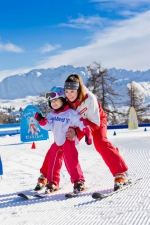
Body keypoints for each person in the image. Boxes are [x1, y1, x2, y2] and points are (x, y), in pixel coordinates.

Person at [35, 74, 129, 191]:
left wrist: (78, 131)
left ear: (79, 90)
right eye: (67, 92)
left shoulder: (89, 99)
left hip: (96, 122)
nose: (69, 95)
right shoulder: (66, 100)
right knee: (59, 144)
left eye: (72, 91)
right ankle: (46, 175)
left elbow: (95, 123)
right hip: (77, 125)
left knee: (100, 142)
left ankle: (120, 173)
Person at [34, 86, 92, 194]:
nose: (54, 103)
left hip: (68, 141)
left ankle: (78, 182)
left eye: (56, 100)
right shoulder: (52, 114)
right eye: (51, 101)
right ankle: (52, 182)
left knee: (71, 162)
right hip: (57, 141)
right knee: (53, 162)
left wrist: (87, 132)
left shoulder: (70, 113)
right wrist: (41, 121)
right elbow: (48, 125)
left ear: (63, 100)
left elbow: (81, 122)